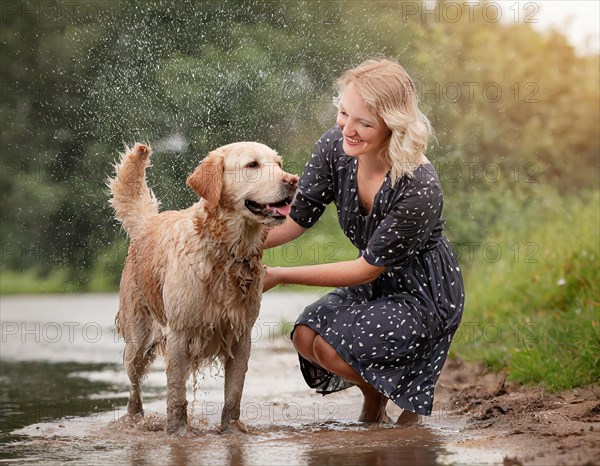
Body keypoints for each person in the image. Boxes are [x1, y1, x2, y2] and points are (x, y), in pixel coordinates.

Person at [263, 58, 464, 424]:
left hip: (422, 295)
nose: (348, 130)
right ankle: (376, 400)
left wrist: (278, 275)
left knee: (331, 345)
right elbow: (296, 219)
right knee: (306, 335)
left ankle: (397, 401)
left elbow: (366, 269)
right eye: (344, 113)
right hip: (376, 285)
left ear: (393, 125)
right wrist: (233, 243)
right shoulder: (334, 147)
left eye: (364, 123)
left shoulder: (419, 185)